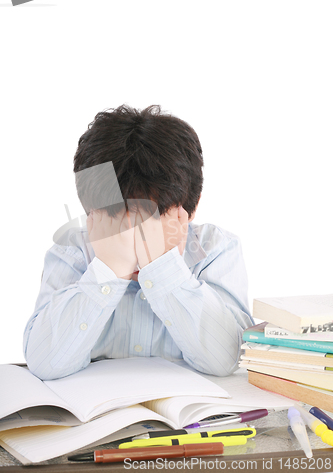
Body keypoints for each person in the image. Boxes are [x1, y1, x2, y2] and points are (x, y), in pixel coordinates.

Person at [23, 105, 253, 380]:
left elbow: (228, 359)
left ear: (189, 212)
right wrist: (109, 269)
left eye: (148, 224)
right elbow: (42, 362)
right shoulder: (73, 251)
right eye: (117, 223)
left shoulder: (216, 249)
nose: (132, 241)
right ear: (91, 215)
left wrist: (162, 267)